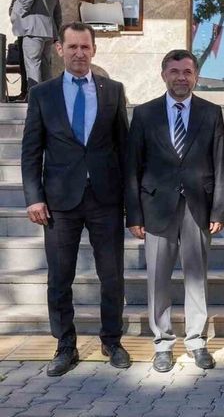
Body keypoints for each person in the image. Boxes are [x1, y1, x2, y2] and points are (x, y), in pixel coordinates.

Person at [20, 21, 129, 376]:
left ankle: (112, 340)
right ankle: (65, 345)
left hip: (105, 199)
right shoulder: (42, 94)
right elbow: (31, 151)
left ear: (94, 49)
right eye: (73, 47)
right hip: (58, 203)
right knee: (59, 277)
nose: (79, 53)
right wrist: (34, 197)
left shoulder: (113, 91)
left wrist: (130, 202)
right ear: (59, 49)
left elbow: (124, 149)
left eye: (85, 47)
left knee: (111, 276)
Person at [125, 49, 224, 372]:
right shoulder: (144, 114)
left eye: (187, 72)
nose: (181, 78)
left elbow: (220, 163)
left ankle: (197, 341)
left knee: (196, 277)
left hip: (198, 207)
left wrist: (219, 210)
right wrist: (134, 215)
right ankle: (163, 343)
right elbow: (132, 167)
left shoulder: (211, 112)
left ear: (195, 76)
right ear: (163, 75)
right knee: (158, 279)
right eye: (174, 72)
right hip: (156, 207)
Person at [10, 0, 61, 88]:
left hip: (32, 31)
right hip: (48, 33)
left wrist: (17, 15)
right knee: (45, 68)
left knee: (33, 66)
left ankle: (35, 97)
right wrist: (56, 34)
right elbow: (57, 13)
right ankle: (47, 97)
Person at [7, 0, 27, 100]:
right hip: (20, 29)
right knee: (22, 62)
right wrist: (12, 14)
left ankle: (30, 93)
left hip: (31, 30)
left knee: (31, 64)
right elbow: (13, 4)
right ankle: (23, 92)